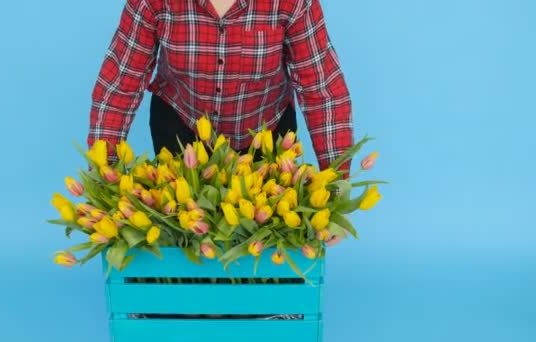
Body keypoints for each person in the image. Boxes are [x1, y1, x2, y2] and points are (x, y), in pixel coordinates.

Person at [87, 0, 353, 247]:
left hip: (266, 134)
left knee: (261, 242)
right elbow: (119, 85)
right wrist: (103, 180)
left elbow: (323, 90)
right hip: (182, 129)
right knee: (186, 236)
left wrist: (336, 191)